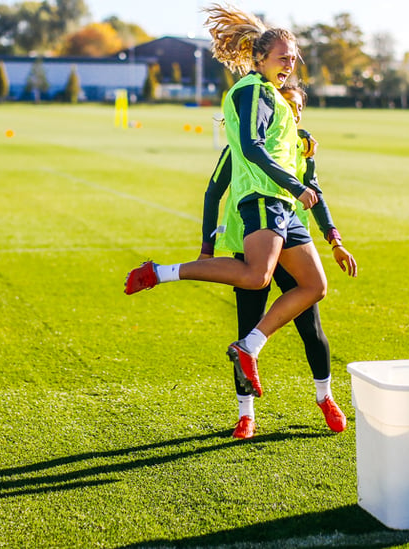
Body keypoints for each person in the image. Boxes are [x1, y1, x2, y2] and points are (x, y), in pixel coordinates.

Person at [124, 4, 327, 402]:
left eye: (294, 57)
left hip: (283, 204)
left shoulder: (269, 92)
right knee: (256, 277)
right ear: (260, 57)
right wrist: (295, 184)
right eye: (283, 57)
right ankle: (161, 273)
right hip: (264, 197)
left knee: (315, 286)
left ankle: (249, 346)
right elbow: (251, 148)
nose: (290, 63)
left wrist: (304, 166)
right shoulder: (252, 90)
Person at [200, 83, 358, 439]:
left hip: (292, 244)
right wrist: (207, 249)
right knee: (247, 330)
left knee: (311, 327)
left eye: (298, 106)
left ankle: (325, 397)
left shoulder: (302, 146)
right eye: (287, 105)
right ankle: (246, 414)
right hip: (252, 241)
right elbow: (213, 193)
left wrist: (334, 238)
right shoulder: (240, 149)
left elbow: (314, 193)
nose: (293, 112)